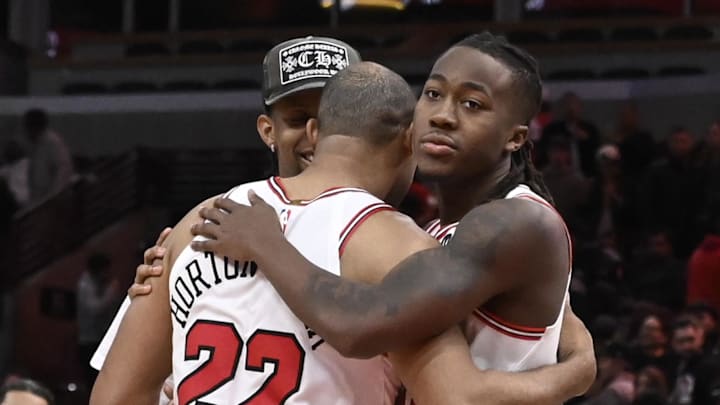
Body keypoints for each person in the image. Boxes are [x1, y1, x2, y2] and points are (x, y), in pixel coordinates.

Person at [92, 61, 589, 405]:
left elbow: (116, 397)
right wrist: (575, 373)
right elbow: (455, 397)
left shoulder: (196, 221)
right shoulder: (393, 242)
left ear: (316, 133)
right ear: (408, 140)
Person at [22, 108, 74, 203]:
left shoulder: (52, 143)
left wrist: (53, 197)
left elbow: (63, 169)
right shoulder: (35, 145)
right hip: (39, 200)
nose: (24, 131)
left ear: (34, 127)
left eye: (26, 127)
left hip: (52, 202)